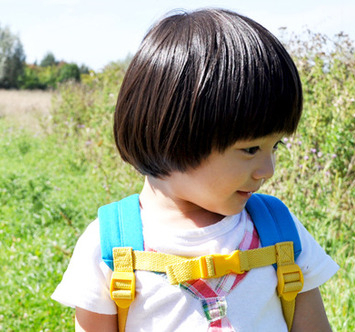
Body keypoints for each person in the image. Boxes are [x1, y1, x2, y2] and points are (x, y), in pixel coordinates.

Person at [52, 8, 339, 331]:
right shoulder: (111, 247)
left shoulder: (279, 232)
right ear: (176, 135)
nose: (267, 169)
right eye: (250, 149)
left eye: (275, 147)